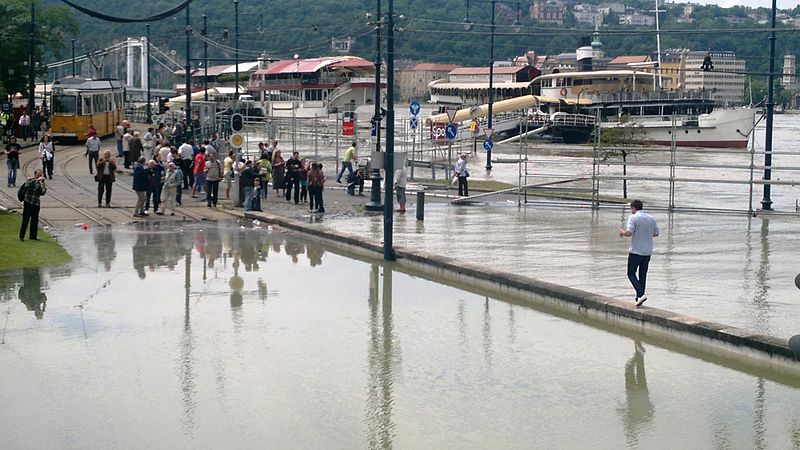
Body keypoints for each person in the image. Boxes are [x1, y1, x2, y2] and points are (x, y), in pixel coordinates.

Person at [618, 199, 660, 307]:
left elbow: (629, 233)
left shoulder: (633, 217)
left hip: (636, 251)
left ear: (633, 208)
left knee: (631, 273)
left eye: (631, 209)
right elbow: (656, 233)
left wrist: (622, 232)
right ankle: (639, 298)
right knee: (643, 274)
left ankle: (640, 294)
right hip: (647, 251)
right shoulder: (651, 218)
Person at [19, 169, 47, 241]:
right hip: (28, 202)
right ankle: (22, 236)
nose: (40, 176)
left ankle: (33, 236)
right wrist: (37, 180)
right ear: (35, 175)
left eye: (41, 175)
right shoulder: (31, 180)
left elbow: (42, 193)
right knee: (25, 220)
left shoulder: (40, 183)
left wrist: (43, 185)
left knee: (35, 221)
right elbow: (28, 183)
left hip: (36, 203)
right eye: (38, 175)